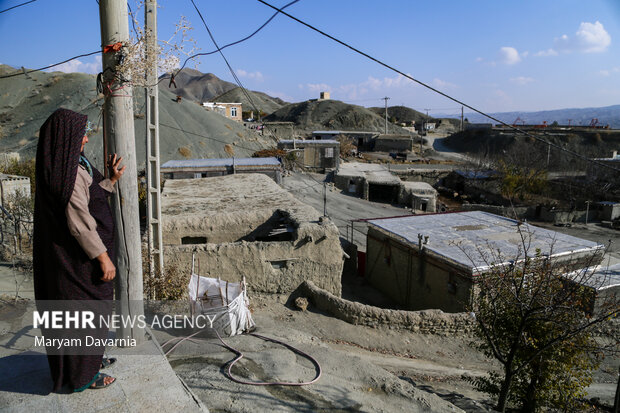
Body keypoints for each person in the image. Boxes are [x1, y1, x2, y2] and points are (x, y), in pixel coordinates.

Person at [33, 108, 125, 392]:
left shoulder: (75, 164)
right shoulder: (67, 174)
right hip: (77, 263)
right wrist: (104, 258)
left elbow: (91, 197)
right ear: (66, 138)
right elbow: (79, 222)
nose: (85, 140)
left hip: (80, 262)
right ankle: (80, 376)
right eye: (80, 135)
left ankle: (91, 361)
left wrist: (109, 181)